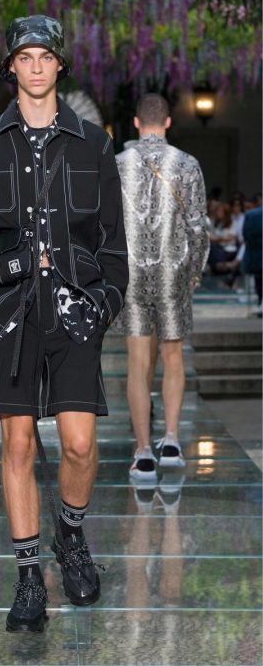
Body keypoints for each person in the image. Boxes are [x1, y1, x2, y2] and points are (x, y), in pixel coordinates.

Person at [0, 14, 128, 633]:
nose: (37, 66)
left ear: (60, 65)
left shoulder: (93, 143)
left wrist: (105, 302)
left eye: (46, 56)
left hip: (74, 312)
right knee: (17, 444)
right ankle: (27, 578)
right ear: (11, 67)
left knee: (79, 444)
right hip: (10, 313)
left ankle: (70, 535)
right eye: (26, 57)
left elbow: (113, 238)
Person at [115, 93, 209, 483]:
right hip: (173, 273)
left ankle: (142, 453)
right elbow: (198, 227)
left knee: (138, 364)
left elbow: (104, 227)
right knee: (173, 358)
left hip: (132, 275)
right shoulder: (187, 164)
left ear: (136, 122)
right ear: (168, 122)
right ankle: (171, 441)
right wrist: (193, 274)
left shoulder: (117, 164)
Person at [242, 204, 262, 316]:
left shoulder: (250, 214)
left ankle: (260, 303)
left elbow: (245, 236)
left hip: (256, 255)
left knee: (259, 280)